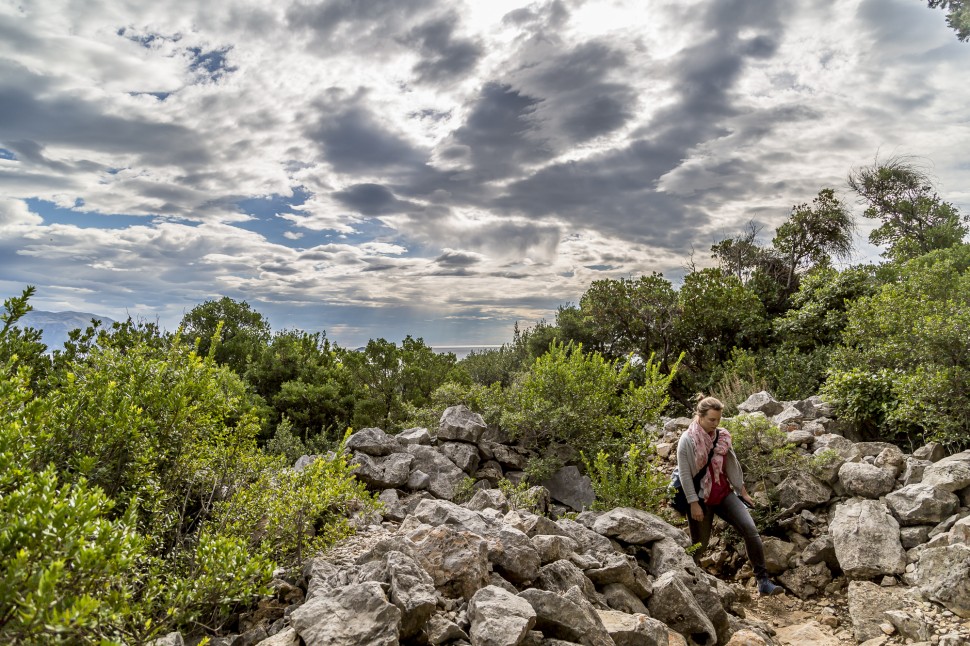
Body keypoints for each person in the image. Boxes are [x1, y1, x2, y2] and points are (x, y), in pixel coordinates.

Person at [674, 395, 783, 596]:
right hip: (700, 499)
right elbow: (685, 475)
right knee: (699, 545)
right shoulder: (687, 441)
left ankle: (763, 581)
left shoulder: (722, 436)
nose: (716, 424)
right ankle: (684, 579)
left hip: (723, 493)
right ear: (700, 416)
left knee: (750, 530)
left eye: (718, 419)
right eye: (711, 420)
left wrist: (742, 491)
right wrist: (693, 504)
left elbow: (731, 465)